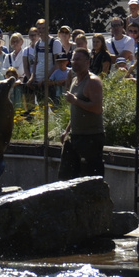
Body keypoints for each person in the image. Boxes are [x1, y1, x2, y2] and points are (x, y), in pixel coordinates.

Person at [58, 50, 104, 180]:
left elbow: (96, 108)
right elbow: (76, 111)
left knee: (90, 179)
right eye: (73, 59)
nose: (75, 62)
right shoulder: (74, 80)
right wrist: (66, 131)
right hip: (75, 136)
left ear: (87, 62)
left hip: (91, 137)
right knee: (66, 177)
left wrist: (75, 100)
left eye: (78, 59)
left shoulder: (93, 81)